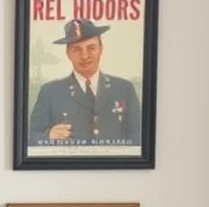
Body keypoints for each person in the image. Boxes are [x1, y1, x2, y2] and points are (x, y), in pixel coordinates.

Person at [28, 17, 142, 146]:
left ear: (101, 49)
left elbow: (138, 139)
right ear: (68, 53)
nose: (85, 56)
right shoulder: (50, 92)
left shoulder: (124, 89)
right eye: (77, 49)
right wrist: (48, 136)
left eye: (91, 48)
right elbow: (30, 137)